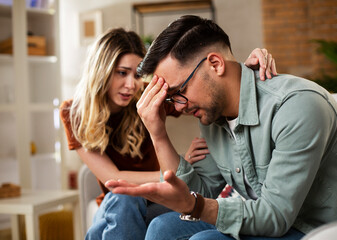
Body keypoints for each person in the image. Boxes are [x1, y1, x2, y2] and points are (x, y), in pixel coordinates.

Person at [106, 15, 337, 240]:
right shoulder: (212, 117)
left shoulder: (297, 106)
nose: (179, 107)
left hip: (319, 229)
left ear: (215, 64)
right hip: (273, 221)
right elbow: (202, 190)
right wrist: (157, 131)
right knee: (162, 228)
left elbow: (275, 215)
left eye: (179, 91)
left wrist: (195, 207)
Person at [60, 27, 275, 240]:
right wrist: (176, 170)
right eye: (122, 73)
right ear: (102, 71)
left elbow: (211, 98)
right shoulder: (73, 113)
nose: (131, 85)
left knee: (104, 228)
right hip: (122, 203)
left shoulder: (146, 95)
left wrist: (244, 74)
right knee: (123, 198)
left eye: (137, 75)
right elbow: (112, 179)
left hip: (160, 199)